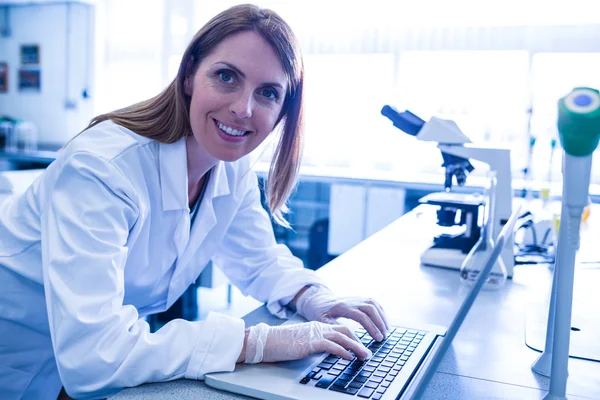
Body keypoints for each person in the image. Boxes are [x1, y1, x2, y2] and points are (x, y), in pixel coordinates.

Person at [0, 4, 389, 400]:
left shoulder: (230, 168)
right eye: (226, 76)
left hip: (86, 369)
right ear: (188, 76)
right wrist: (257, 344)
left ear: (282, 112)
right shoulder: (102, 168)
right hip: (16, 356)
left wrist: (316, 299)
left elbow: (259, 260)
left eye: (268, 93)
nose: (244, 108)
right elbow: (92, 356)